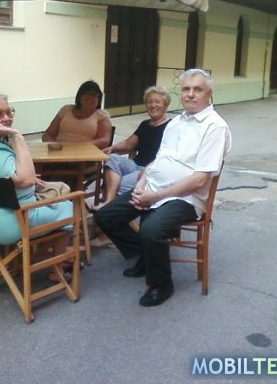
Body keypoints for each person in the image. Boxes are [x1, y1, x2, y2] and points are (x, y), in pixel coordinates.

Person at [95, 69, 232, 307]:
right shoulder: (176, 122)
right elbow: (157, 161)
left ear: (209, 93)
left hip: (185, 199)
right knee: (106, 216)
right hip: (152, 188)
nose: (190, 94)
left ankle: (161, 284)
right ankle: (146, 256)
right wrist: (141, 184)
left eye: (197, 89)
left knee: (151, 230)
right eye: (186, 89)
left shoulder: (215, 127)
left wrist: (155, 196)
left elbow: (200, 180)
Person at [0, 93, 74, 281]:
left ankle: (53, 255)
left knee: (53, 197)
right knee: (68, 207)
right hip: (10, 223)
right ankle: (56, 269)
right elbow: (25, 180)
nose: (7, 118)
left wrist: (25, 179)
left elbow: (13, 177)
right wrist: (17, 136)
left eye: (9, 112)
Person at [97, 85, 171, 210]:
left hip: (150, 171)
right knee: (112, 158)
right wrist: (112, 148)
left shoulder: (171, 127)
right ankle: (109, 202)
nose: (153, 105)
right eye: (149, 102)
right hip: (135, 164)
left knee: (120, 184)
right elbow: (129, 143)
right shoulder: (145, 124)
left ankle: (111, 210)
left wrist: (147, 169)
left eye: (157, 102)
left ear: (165, 105)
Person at [42, 80, 112, 149]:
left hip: (86, 153)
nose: (89, 97)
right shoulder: (66, 109)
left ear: (99, 99)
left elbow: (104, 141)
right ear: (79, 96)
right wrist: (53, 145)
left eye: (93, 95)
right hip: (59, 151)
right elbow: (48, 134)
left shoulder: (101, 115)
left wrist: (79, 148)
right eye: (86, 94)